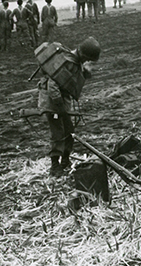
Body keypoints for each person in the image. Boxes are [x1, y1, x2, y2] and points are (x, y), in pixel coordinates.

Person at [38, 38, 101, 176]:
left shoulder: (75, 62)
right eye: (87, 59)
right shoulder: (65, 61)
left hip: (62, 103)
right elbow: (52, 86)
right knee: (57, 132)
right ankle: (55, 166)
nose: (86, 62)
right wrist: (60, 108)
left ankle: (65, 161)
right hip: (52, 104)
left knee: (69, 131)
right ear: (83, 54)